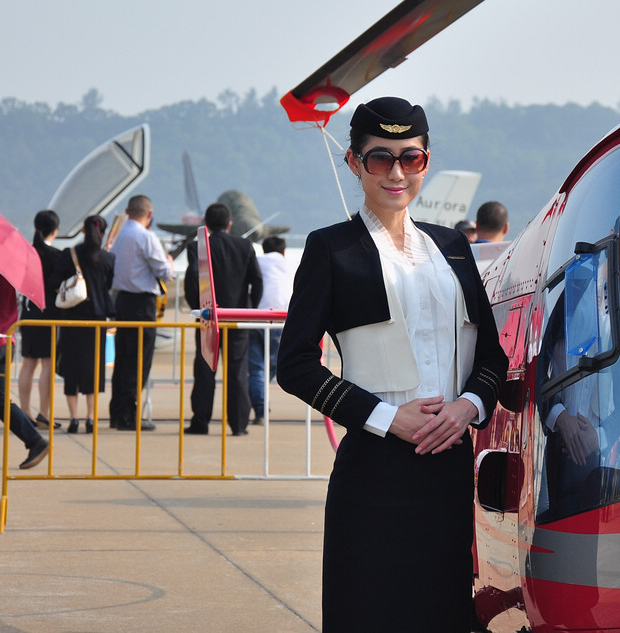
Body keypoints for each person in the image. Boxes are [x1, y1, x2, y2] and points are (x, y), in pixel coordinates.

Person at [276, 96, 508, 632]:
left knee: (443, 612)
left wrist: (467, 407)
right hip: (373, 473)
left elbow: (492, 355)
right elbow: (295, 364)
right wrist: (386, 418)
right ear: (354, 163)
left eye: (411, 158)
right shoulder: (331, 249)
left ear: (426, 161)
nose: (396, 173)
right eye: (380, 158)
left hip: (449, 469)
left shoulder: (453, 247)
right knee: (368, 611)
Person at [184, 202, 263, 436]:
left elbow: (192, 281)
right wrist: (250, 308)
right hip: (237, 317)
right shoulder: (245, 245)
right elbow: (257, 281)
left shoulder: (198, 247)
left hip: (208, 316)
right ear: (230, 224)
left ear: (206, 225)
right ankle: (238, 424)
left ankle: (201, 422)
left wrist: (198, 308)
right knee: (237, 372)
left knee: (205, 370)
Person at [109, 194, 174, 431]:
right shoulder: (146, 237)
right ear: (149, 214)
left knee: (123, 359)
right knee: (139, 361)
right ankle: (129, 415)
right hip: (142, 303)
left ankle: (118, 413)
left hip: (122, 301)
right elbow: (164, 272)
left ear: (128, 211)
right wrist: (169, 262)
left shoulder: (120, 236)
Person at [51, 216, 115, 434]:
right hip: (97, 320)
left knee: (72, 368)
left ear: (83, 231)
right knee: (93, 369)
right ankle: (90, 418)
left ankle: (73, 418)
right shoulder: (108, 258)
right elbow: (108, 285)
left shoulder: (69, 255)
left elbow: (54, 282)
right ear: (103, 233)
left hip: (72, 318)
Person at [18, 210, 62, 429]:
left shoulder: (26, 253)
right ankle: (44, 413)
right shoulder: (57, 256)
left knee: (28, 363)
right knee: (47, 363)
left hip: (28, 312)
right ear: (55, 230)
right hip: (50, 314)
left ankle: (25, 411)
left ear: (36, 228)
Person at [1, 274, 49, 469]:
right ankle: (34, 440)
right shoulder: (6, 273)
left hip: (1, 341)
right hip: (5, 339)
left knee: (1, 400)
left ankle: (34, 440)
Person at [247, 235, 293, 425]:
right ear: (284, 251)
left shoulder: (257, 261)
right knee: (275, 365)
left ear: (264, 249)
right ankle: (260, 393)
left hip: (254, 318)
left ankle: (260, 409)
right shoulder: (290, 264)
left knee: (256, 367)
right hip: (281, 319)